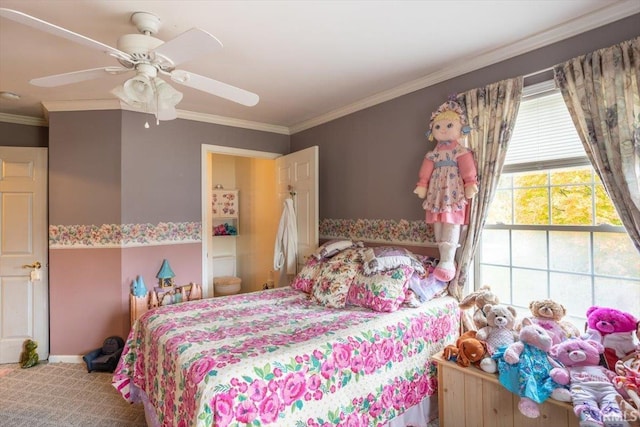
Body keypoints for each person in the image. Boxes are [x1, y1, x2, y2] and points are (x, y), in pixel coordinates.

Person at [414, 100, 478, 281]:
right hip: (436, 192)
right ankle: (443, 258)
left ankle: (448, 261)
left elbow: (467, 167)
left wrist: (469, 182)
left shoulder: (460, 150)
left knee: (451, 220)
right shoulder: (433, 153)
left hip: (452, 191)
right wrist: (422, 184)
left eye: (449, 125)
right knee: (438, 222)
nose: (443, 130)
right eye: (439, 126)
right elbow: (426, 169)